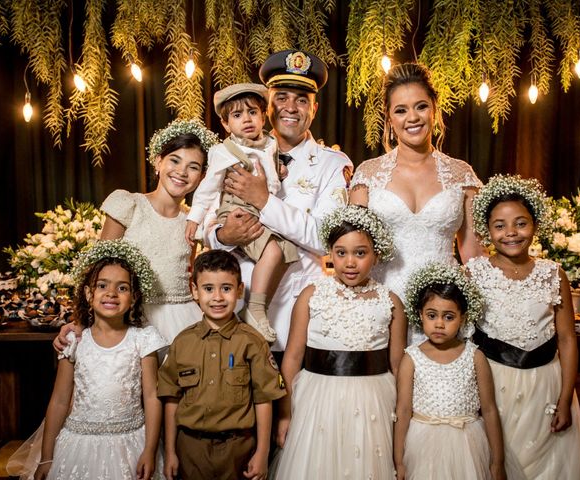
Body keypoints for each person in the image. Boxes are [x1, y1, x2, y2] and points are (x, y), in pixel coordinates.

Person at [206, 49, 353, 358]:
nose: (291, 107)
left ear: (314, 107)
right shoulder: (231, 152)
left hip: (295, 316)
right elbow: (209, 223)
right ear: (266, 105)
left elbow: (326, 238)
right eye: (282, 97)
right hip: (234, 307)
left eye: (301, 99)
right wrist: (222, 237)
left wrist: (263, 199)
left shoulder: (332, 164)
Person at [467, 174, 580, 479]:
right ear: (487, 230)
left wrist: (565, 399)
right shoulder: (475, 273)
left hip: (546, 387)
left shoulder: (553, 274)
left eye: (520, 223)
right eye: (500, 226)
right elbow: (466, 338)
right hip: (495, 383)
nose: (511, 233)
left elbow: (566, 339)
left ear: (535, 224)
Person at [349, 62, 485, 345]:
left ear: (434, 109)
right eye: (401, 110)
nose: (412, 117)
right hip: (382, 307)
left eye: (420, 106)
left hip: (443, 311)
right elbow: (354, 251)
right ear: (389, 118)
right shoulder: (367, 175)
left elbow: (473, 255)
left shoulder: (462, 174)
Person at [54, 119, 219, 348]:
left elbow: (189, 274)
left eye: (193, 167)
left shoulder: (193, 221)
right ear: (158, 162)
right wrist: (80, 321)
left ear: (202, 176)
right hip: (129, 318)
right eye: (175, 160)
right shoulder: (129, 205)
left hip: (182, 321)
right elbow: (96, 270)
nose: (182, 172)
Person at [11, 240, 167, 480]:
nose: (111, 293)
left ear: (134, 298)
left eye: (122, 288)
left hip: (129, 443)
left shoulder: (143, 340)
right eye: (102, 285)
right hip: (78, 445)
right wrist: (47, 456)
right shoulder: (74, 341)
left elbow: (151, 397)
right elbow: (60, 400)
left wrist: (149, 449)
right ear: (87, 292)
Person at [271, 205, 407, 479]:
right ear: (330, 253)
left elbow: (398, 365)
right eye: (341, 252)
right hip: (317, 397)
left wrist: (402, 419)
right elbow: (293, 358)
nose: (350, 262)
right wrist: (284, 414)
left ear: (376, 255)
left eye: (360, 253)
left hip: (373, 400)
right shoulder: (311, 295)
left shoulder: (390, 302)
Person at [158, 249, 286, 480]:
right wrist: (170, 452)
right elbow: (171, 399)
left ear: (239, 290)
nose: (217, 297)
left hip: (239, 449)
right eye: (208, 289)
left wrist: (262, 452)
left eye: (226, 288)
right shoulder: (182, 343)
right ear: (194, 291)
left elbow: (264, 399)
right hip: (190, 449)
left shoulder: (252, 342)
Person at [185, 83, 298, 343]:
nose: (246, 119)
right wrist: (194, 218)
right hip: (237, 211)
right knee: (273, 250)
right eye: (237, 116)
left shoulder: (269, 144)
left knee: (286, 252)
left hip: (261, 209)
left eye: (252, 113)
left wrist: (277, 172)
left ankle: (256, 306)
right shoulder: (224, 152)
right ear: (225, 124)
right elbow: (207, 188)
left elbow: (269, 171)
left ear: (262, 116)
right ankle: (256, 309)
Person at [394, 262, 507, 480]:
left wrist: (497, 462)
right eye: (431, 315)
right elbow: (403, 411)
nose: (439, 324)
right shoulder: (411, 358)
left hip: (467, 443)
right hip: (423, 445)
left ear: (462, 318)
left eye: (448, 317)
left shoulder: (475, 357)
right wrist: (399, 460)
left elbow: (490, 410)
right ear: (420, 315)